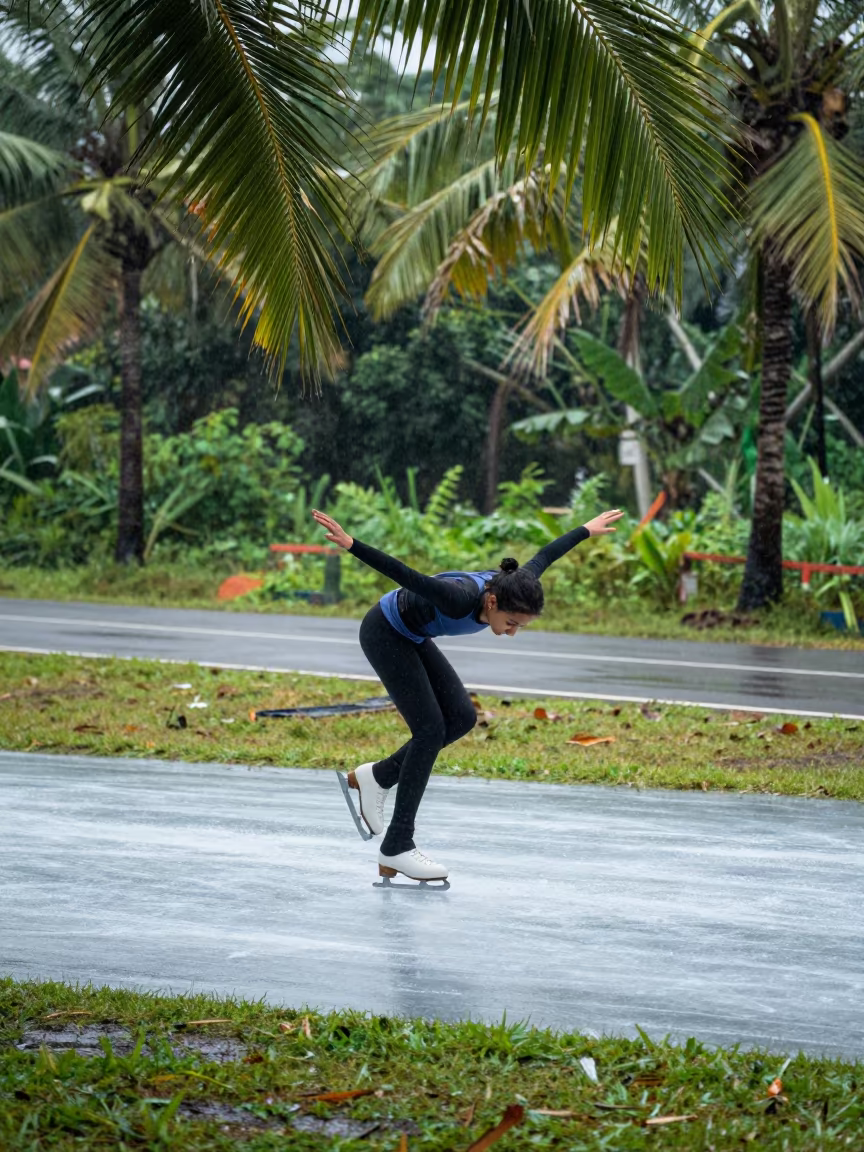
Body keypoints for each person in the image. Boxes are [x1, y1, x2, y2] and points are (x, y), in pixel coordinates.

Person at [311, 506, 624, 885]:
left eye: (520, 627)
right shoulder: (458, 598)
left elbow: (545, 555)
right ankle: (396, 845)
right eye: (510, 624)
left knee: (460, 718)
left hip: (411, 636)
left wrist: (586, 530)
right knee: (429, 730)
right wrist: (352, 544)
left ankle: (377, 776)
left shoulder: (515, 584)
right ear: (492, 603)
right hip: (384, 633)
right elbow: (407, 575)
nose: (511, 633)